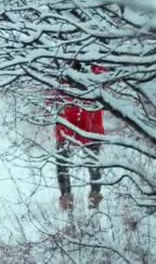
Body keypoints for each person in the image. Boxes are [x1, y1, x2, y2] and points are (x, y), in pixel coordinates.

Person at [50, 62, 105, 211]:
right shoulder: (96, 72)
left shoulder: (63, 72)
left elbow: (51, 99)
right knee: (92, 164)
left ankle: (67, 199)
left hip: (72, 127)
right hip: (88, 127)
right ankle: (93, 199)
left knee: (63, 163)